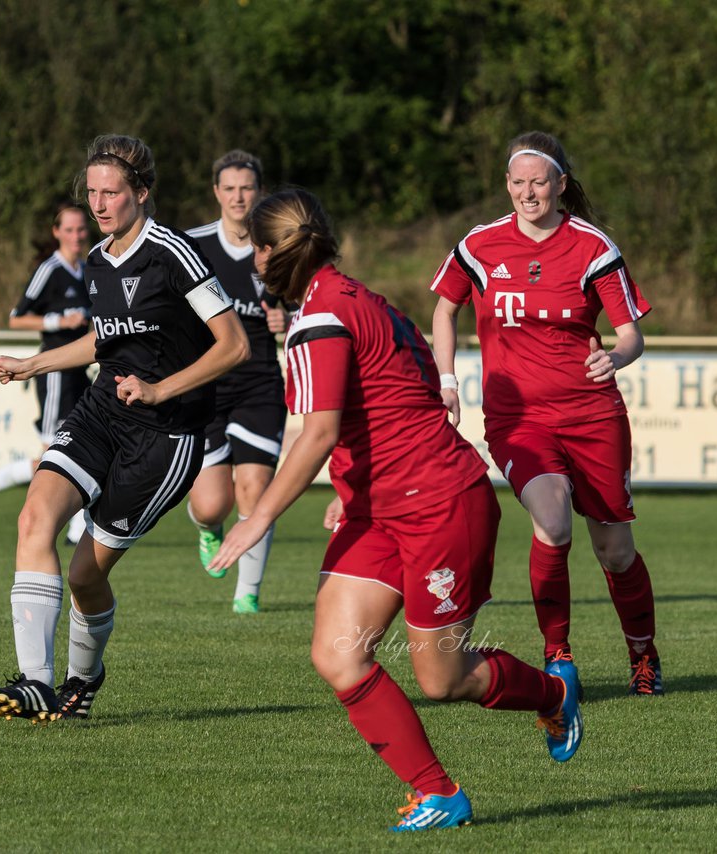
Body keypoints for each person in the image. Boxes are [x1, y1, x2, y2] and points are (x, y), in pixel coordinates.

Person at [209, 187, 581, 832]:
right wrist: (351, 491)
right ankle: (440, 793)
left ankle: (553, 694)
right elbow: (389, 404)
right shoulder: (354, 298)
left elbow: (320, 432)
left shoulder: (322, 317)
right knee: (337, 655)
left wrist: (258, 516)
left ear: (266, 255)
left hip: (439, 504)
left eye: (256, 252)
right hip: (383, 508)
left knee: (441, 678)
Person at [0, 134, 249, 722]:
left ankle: (83, 679)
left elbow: (234, 344)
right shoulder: (98, 260)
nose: (99, 205)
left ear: (141, 194)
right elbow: (107, 339)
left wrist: (159, 388)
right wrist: (33, 363)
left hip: (165, 436)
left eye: (112, 194)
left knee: (83, 577)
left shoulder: (173, 255)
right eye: (93, 193)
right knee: (34, 517)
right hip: (103, 413)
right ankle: (35, 683)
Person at [429, 131, 662, 697]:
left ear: (560, 184)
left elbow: (631, 335)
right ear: (506, 184)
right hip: (517, 419)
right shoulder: (480, 245)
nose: (527, 192)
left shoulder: (592, 247)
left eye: (539, 181)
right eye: (517, 182)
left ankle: (643, 654)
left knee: (614, 547)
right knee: (552, 522)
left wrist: (615, 358)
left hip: (592, 416)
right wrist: (447, 381)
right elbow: (443, 309)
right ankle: (558, 656)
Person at [0, 203, 91, 545]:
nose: (76, 236)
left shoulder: (87, 269)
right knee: (52, 458)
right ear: (56, 233)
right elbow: (16, 316)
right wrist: (58, 321)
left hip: (80, 371)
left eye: (81, 229)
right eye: (68, 230)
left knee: (79, 451)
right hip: (54, 374)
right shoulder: (49, 270)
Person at [184, 150, 288, 614]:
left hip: (261, 384)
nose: (238, 196)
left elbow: (309, 302)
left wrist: (289, 318)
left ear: (259, 192)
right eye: (229, 188)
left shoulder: (281, 246)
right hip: (206, 385)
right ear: (216, 193)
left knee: (255, 489)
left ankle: (247, 594)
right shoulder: (192, 245)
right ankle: (209, 529)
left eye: (246, 187)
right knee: (211, 505)